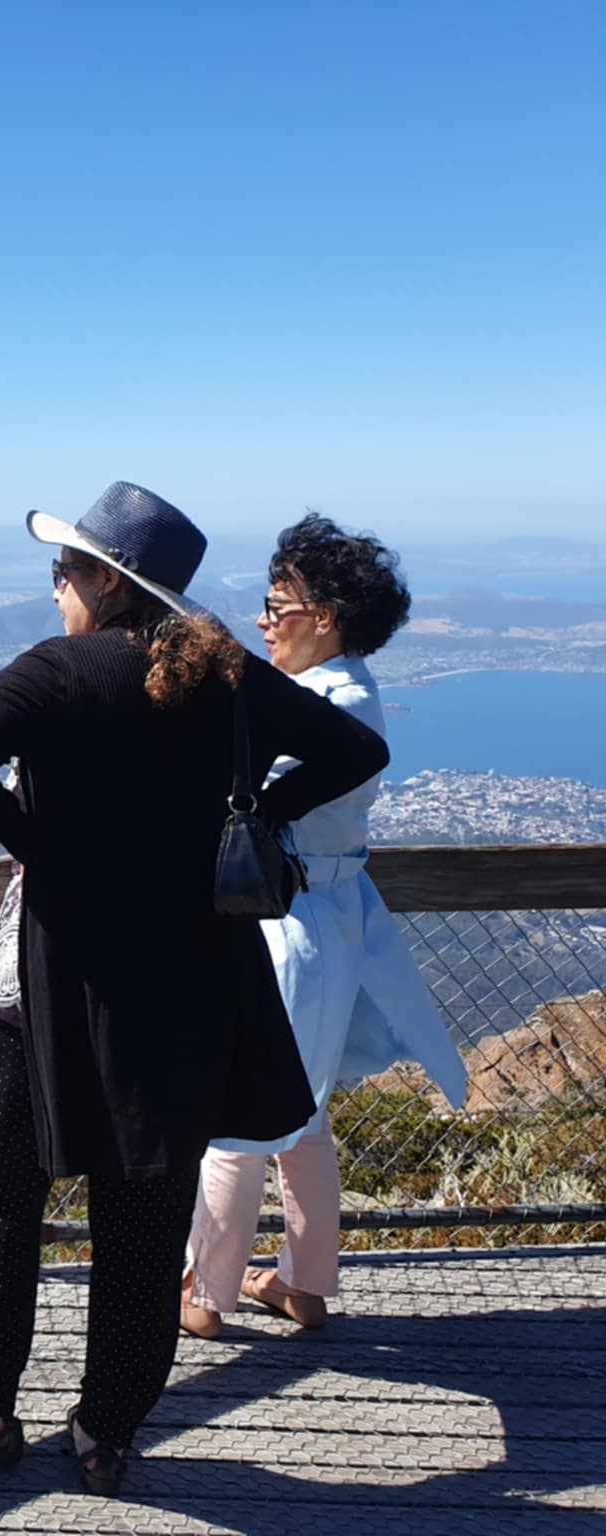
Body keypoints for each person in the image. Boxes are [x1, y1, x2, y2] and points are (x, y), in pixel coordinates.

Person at [0, 482, 389, 1496]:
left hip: (42, 979)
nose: (54, 588)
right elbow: (356, 748)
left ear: (103, 582)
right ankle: (106, 1430)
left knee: (1, 1194)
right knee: (144, 1207)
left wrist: (33, 841)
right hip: (182, 981)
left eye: (63, 571)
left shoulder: (58, 671)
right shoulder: (222, 675)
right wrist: (258, 810)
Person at [180, 516, 468, 1338]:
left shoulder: (321, 707)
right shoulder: (356, 692)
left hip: (284, 924)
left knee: (237, 1116)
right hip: (335, 921)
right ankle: (303, 1284)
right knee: (302, 1115)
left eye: (277, 605)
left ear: (326, 615)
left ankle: (203, 1294)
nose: (264, 620)